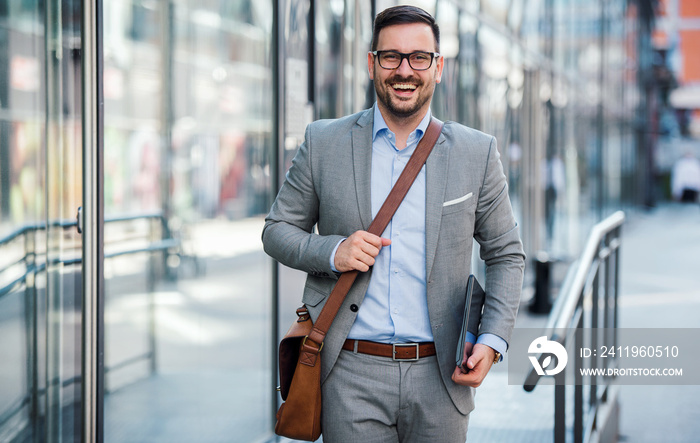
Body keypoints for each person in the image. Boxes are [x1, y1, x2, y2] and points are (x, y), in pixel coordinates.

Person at [262, 5, 525, 442]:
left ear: (438, 68)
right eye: (391, 57)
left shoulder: (475, 153)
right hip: (350, 374)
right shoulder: (323, 142)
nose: (405, 70)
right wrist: (333, 251)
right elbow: (276, 231)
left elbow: (506, 253)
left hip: (441, 377)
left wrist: (493, 340)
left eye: (419, 57)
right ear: (371, 64)